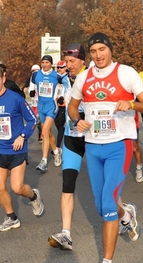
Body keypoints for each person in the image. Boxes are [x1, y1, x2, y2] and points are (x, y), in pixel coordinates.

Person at [68, 32, 143, 263]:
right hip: (94, 147)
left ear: (110, 50)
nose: (98, 55)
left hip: (120, 146)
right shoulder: (83, 77)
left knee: (108, 202)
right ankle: (127, 215)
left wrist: (132, 103)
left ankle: (107, 262)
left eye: (102, 50)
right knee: (101, 206)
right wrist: (77, 120)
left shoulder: (126, 73)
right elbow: (72, 107)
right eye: (94, 51)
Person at [0, 67, 44, 231]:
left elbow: (32, 120)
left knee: (17, 187)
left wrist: (22, 136)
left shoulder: (16, 99)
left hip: (17, 150)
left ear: (3, 79)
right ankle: (12, 218)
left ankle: (34, 196)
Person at [47, 43, 87, 250]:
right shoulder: (63, 80)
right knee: (67, 185)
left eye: (72, 62)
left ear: (83, 61)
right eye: (66, 62)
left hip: (93, 139)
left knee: (105, 186)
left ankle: (124, 213)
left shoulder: (92, 78)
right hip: (72, 139)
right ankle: (66, 234)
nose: (68, 65)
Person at [30, 55, 69, 172]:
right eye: (43, 62)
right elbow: (32, 82)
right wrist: (31, 90)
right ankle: (57, 151)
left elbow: (67, 85)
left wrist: (62, 96)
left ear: (51, 64)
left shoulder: (56, 76)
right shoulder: (36, 74)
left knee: (45, 131)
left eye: (47, 62)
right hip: (41, 106)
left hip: (52, 106)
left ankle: (44, 161)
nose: (45, 64)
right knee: (48, 133)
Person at [23, 64, 42, 143]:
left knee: (42, 119)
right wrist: (26, 88)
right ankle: (40, 133)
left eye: (37, 71)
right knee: (36, 120)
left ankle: (42, 135)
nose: (35, 73)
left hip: (42, 102)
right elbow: (24, 87)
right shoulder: (30, 78)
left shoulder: (43, 78)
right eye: (33, 71)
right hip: (34, 103)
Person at [54, 60, 69, 151]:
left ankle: (58, 146)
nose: (59, 69)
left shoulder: (67, 77)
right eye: (58, 67)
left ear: (66, 67)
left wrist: (63, 97)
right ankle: (59, 144)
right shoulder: (57, 76)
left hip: (64, 104)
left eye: (61, 67)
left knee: (60, 123)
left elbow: (68, 89)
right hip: (56, 103)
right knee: (58, 123)